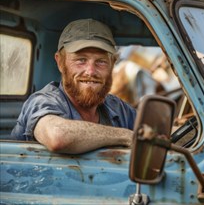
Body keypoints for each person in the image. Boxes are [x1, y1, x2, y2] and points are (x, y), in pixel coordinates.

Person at [11, 18, 136, 154]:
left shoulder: (118, 109)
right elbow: (58, 137)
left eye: (101, 61)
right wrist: (126, 136)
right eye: (81, 60)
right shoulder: (42, 101)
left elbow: (152, 134)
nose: (91, 71)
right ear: (60, 62)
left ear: (112, 63)